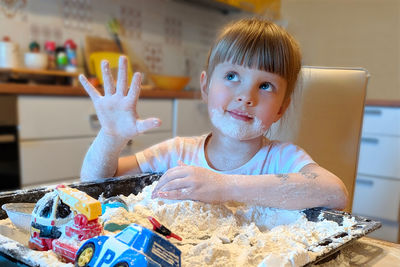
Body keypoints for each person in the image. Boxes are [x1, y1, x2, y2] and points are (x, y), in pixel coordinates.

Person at [79, 18, 348, 210]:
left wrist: (225, 186)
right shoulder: (177, 154)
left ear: (281, 108)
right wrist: (110, 138)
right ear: (206, 85)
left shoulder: (281, 159)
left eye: (265, 86)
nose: (246, 96)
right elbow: (95, 184)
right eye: (232, 76)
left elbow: (335, 193)